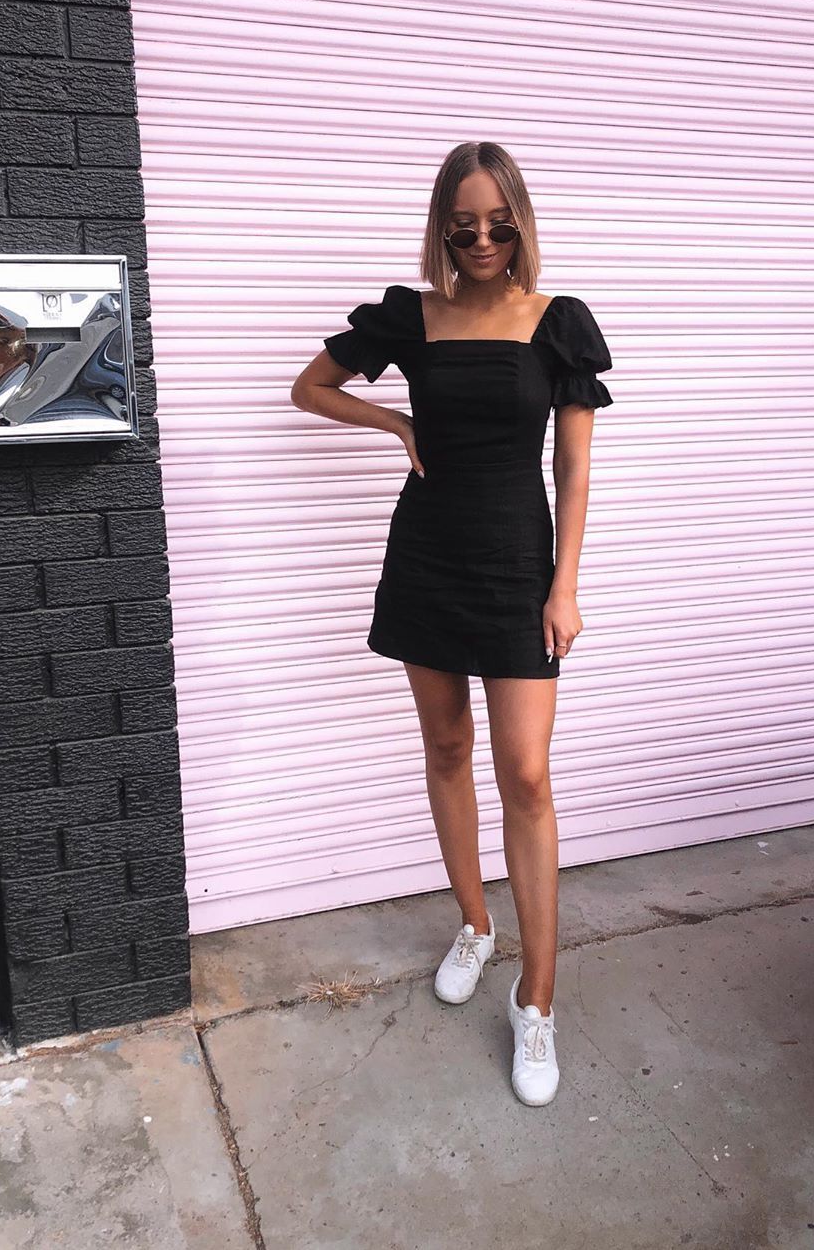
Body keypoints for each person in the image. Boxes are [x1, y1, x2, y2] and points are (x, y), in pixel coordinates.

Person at [290, 140, 613, 1106]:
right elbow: (310, 387)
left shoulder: (557, 323)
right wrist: (395, 424)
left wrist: (563, 586)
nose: (481, 241)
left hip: (517, 566)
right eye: (463, 224)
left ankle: (537, 998)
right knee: (444, 747)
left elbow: (573, 468)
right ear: (442, 226)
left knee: (526, 774)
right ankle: (474, 923)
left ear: (520, 223)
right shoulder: (410, 316)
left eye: (498, 224)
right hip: (426, 558)